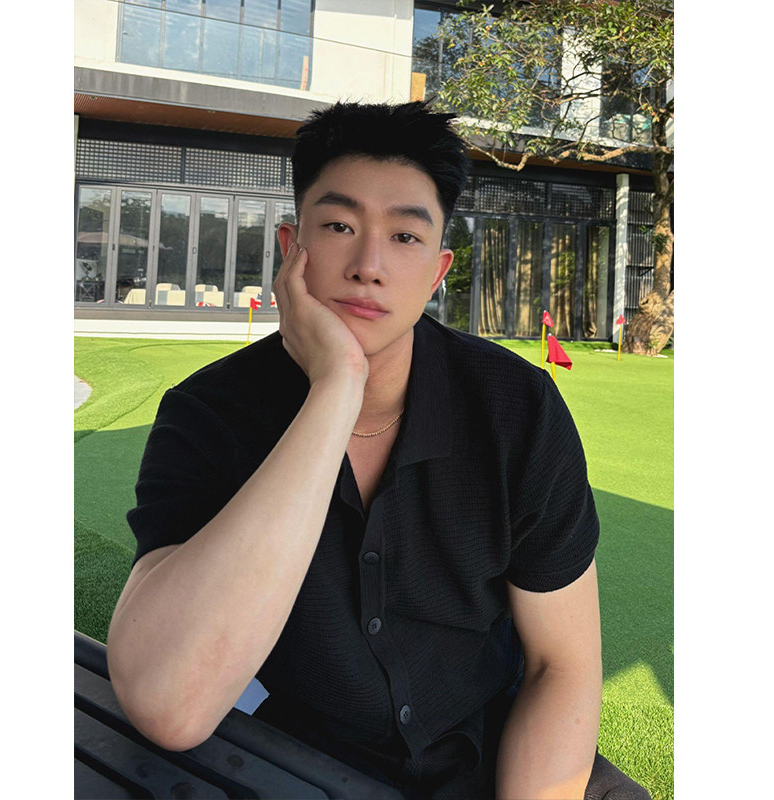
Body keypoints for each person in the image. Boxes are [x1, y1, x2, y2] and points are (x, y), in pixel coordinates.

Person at [107, 101, 650, 800]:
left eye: (404, 236)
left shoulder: (515, 407)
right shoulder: (209, 415)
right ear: (291, 248)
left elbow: (560, 666)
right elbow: (169, 704)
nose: (369, 265)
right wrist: (336, 387)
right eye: (340, 226)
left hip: (502, 752)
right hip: (309, 766)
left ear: (438, 271)